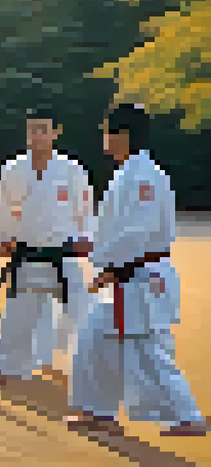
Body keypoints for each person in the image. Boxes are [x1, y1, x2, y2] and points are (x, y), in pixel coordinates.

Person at [67, 104, 206, 437]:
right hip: (127, 274)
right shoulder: (128, 172)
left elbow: (136, 233)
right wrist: (99, 255)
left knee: (147, 351)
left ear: (123, 135)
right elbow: (118, 231)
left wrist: (107, 264)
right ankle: (97, 410)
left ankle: (186, 416)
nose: (104, 138)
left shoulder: (143, 176)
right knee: (93, 337)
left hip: (141, 277)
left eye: (107, 132)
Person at [0, 107, 96, 387]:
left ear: (56, 133)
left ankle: (91, 371)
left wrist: (87, 237)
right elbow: (4, 209)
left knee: (83, 317)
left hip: (63, 256)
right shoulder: (13, 169)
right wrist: (2, 239)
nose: (37, 135)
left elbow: (85, 209)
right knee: (16, 317)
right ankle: (3, 367)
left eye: (43, 130)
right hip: (27, 254)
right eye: (32, 129)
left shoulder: (72, 169)